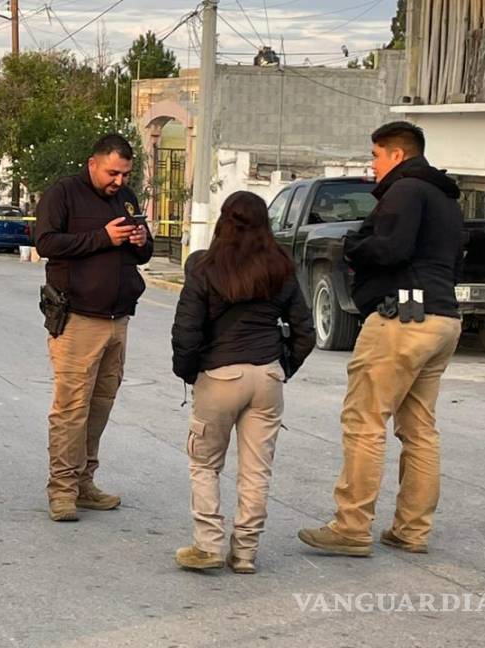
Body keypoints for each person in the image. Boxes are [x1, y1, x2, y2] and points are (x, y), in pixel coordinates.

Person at [298, 121, 464, 557]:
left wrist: (354, 245)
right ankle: (412, 530)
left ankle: (351, 527)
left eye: (374, 156)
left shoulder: (405, 191)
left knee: (364, 422)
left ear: (396, 154)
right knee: (419, 429)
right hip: (443, 319)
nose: (372, 166)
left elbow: (389, 248)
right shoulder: (445, 197)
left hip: (402, 319)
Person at [171, 191, 315, 574]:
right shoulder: (280, 267)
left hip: (219, 375)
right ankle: (246, 552)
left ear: (223, 221)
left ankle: (208, 545)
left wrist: (189, 372)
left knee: (204, 464)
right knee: (256, 471)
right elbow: (305, 331)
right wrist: (283, 368)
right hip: (267, 375)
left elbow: (186, 330)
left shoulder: (204, 267)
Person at [34, 133, 153, 522]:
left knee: (100, 406)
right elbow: (46, 242)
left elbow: (144, 253)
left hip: (118, 320)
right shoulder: (64, 194)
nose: (118, 181)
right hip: (78, 318)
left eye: (124, 174)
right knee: (71, 409)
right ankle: (62, 491)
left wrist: (139, 238)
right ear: (93, 163)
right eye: (112, 173)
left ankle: (85, 482)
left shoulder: (126, 197)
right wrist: (103, 237)